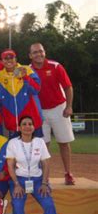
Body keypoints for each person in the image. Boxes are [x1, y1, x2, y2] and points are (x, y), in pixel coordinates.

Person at [6, 116, 59, 214]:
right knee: (17, 207)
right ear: (19, 127)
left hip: (37, 180)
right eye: (24, 124)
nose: (27, 126)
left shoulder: (39, 142)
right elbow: (10, 166)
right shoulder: (13, 143)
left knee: (49, 205)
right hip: (19, 180)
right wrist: (16, 184)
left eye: (30, 124)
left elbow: (46, 164)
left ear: (34, 127)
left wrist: (44, 183)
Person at [30, 43, 75, 185]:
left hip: (58, 108)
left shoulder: (55, 66)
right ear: (30, 55)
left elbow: (68, 87)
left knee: (63, 142)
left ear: (45, 52)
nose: (39, 54)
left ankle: (68, 173)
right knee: (44, 145)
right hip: (40, 111)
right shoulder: (28, 71)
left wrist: (69, 106)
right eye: (35, 52)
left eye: (41, 51)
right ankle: (45, 176)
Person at [0, 49, 43, 138]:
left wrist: (25, 77)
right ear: (2, 61)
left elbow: (36, 89)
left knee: (36, 149)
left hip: (32, 121)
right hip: (13, 123)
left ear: (16, 59)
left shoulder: (27, 69)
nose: (9, 60)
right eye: (5, 58)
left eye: (11, 58)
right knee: (15, 150)